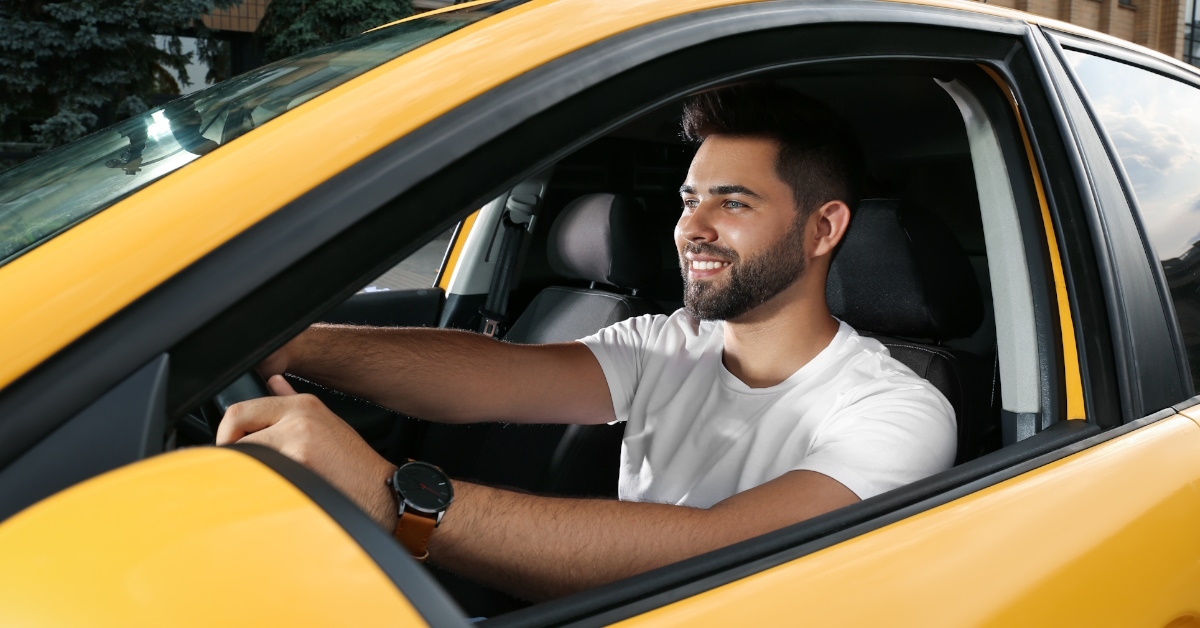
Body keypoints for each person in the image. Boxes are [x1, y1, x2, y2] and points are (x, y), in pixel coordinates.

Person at [215, 83, 956, 602]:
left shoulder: (896, 412)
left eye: (734, 202)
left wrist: (394, 498)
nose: (693, 228)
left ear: (824, 228)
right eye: (690, 200)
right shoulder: (669, 344)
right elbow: (492, 378)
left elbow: (709, 554)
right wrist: (298, 347)